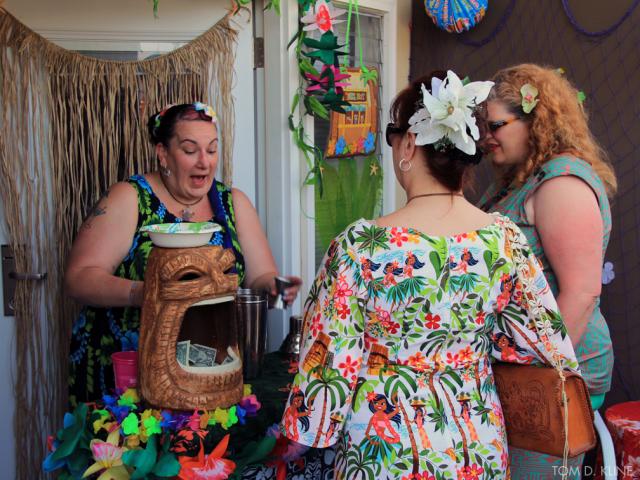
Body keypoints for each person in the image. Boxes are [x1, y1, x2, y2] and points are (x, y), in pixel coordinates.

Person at [280, 71, 580, 480]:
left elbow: (326, 372)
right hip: (477, 445)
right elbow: (547, 348)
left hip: (384, 451)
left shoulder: (360, 248)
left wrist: (308, 430)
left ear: (408, 143)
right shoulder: (504, 241)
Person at [65, 102, 301, 404]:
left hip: (210, 373)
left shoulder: (232, 203)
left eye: (211, 149)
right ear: (163, 154)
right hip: (127, 374)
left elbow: (260, 278)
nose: (204, 162)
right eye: (190, 150)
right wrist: (146, 293)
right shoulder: (130, 198)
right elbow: (78, 278)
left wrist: (277, 288)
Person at [478, 64, 617, 478]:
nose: (485, 137)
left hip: (555, 374)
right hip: (523, 370)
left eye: (495, 126)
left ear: (535, 121)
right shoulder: (520, 178)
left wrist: (538, 380)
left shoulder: (562, 184)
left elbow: (581, 293)